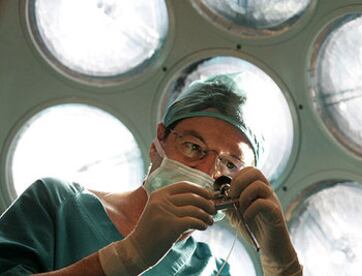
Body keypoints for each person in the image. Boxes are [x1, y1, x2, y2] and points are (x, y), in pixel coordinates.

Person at [0, 74, 302, 275]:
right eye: (193, 147)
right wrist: (127, 256)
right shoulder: (60, 204)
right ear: (158, 142)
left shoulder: (210, 270)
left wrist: (282, 264)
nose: (207, 171)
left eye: (230, 165)